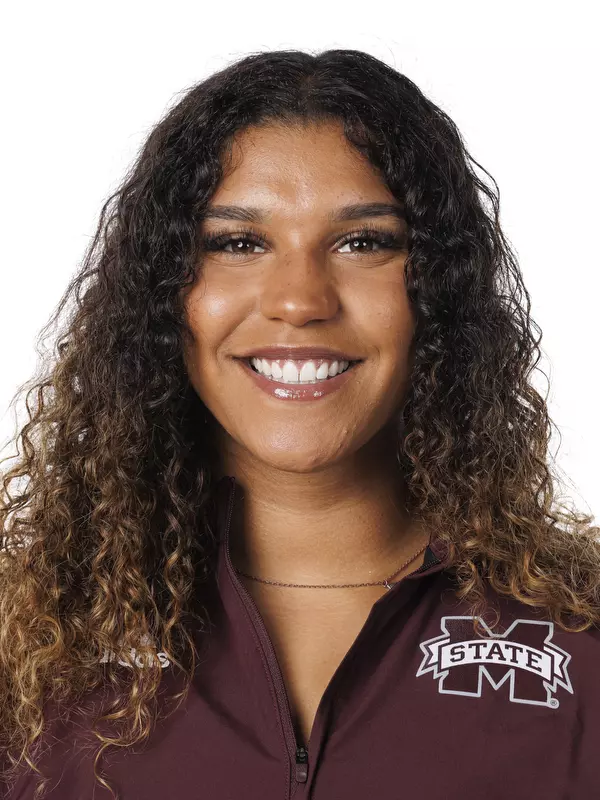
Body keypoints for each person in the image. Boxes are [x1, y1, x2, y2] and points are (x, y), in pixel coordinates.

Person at [0, 48, 598, 800]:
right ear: (161, 299)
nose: (299, 299)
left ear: (439, 294)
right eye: (238, 243)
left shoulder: (583, 645)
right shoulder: (33, 648)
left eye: (363, 242)